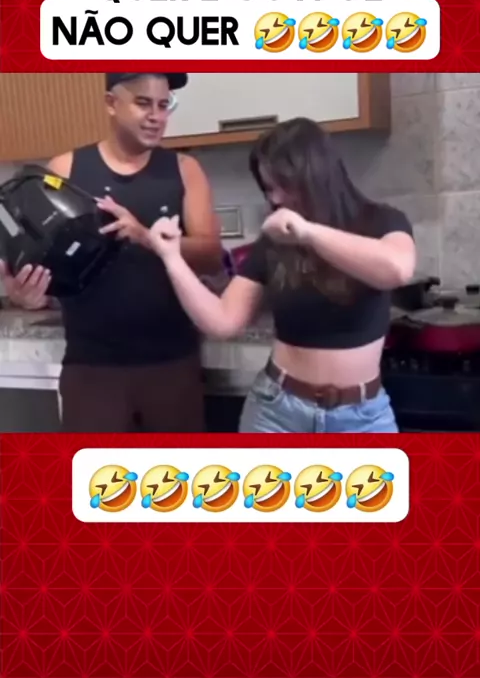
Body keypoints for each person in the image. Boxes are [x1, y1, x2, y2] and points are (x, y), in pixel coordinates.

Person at [148, 117, 416, 434]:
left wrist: (308, 233)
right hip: (276, 415)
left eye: (282, 186)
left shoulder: (381, 221)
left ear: (315, 176)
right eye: (268, 188)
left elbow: (397, 269)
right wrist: (171, 257)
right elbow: (222, 321)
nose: (274, 199)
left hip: (363, 418)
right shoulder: (275, 242)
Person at [0, 73, 222, 432]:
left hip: (172, 364)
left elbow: (211, 255)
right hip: (91, 368)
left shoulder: (184, 170)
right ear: (110, 104)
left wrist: (145, 236)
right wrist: (25, 295)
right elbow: (37, 259)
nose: (156, 116)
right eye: (143, 103)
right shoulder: (65, 169)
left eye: (164, 105)